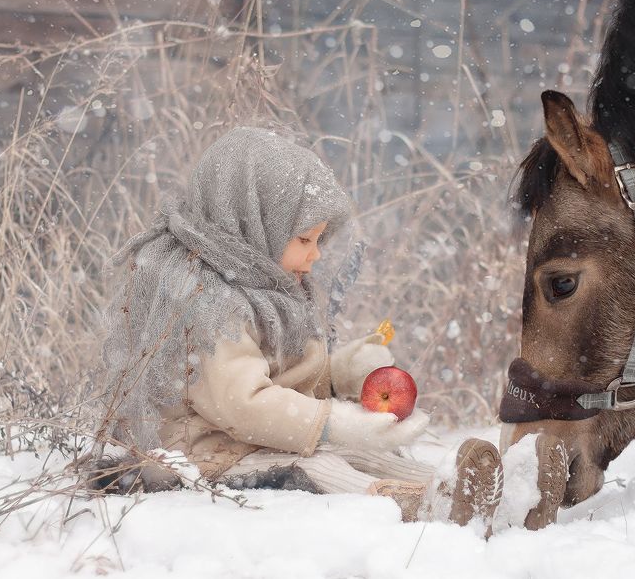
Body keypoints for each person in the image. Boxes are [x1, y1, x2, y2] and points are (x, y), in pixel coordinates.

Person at [95, 126, 566, 532]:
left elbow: (287, 375)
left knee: (381, 458)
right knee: (323, 467)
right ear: (253, 224)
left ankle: (497, 498)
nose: (316, 254)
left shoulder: (261, 284)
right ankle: (422, 507)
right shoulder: (205, 301)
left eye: (319, 240)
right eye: (305, 240)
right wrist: (336, 425)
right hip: (206, 460)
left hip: (252, 442)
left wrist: (345, 371)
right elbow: (243, 404)